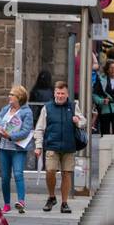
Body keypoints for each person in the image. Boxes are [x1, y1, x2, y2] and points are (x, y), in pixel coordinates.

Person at [32, 81, 84, 214]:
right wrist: (38, 146)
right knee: (50, 171)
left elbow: (84, 121)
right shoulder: (47, 108)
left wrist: (78, 121)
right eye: (58, 93)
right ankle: (51, 197)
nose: (60, 96)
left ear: (67, 94)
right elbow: (39, 129)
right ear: (54, 93)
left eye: (63, 93)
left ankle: (64, 203)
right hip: (52, 146)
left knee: (67, 174)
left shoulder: (73, 106)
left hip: (69, 146)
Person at [0, 86, 34, 213]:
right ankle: (7, 204)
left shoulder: (27, 112)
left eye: (12, 94)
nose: (9, 96)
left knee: (18, 174)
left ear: (19, 97)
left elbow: (26, 131)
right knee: (4, 177)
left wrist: (10, 136)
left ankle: (21, 201)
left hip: (17, 149)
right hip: (3, 148)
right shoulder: (5, 109)